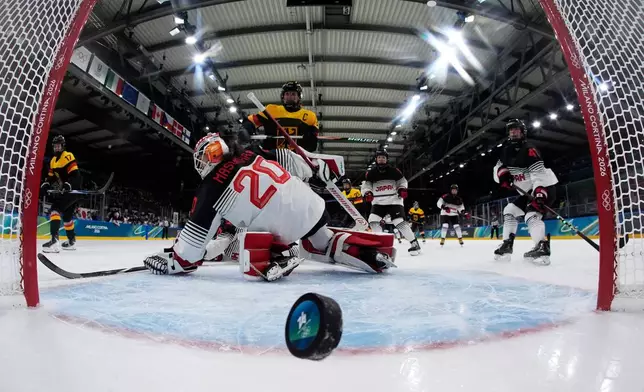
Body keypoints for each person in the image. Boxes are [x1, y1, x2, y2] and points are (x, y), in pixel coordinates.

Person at [143, 131, 396, 281]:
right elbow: (293, 160)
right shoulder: (252, 153)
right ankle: (367, 253)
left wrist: (174, 261)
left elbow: (189, 254)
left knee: (244, 241)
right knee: (319, 241)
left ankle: (278, 255)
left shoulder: (209, 189)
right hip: (311, 205)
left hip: (280, 229)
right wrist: (314, 169)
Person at [493, 119, 558, 264]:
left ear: (523, 132)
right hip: (527, 191)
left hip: (544, 187)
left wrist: (540, 193)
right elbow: (497, 169)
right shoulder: (505, 150)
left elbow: (538, 174)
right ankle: (507, 244)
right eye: (511, 130)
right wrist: (502, 175)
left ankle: (542, 246)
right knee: (509, 210)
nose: (513, 132)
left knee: (531, 215)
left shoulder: (529, 149)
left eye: (517, 130)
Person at [361, 149, 421, 255]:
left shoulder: (394, 171)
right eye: (379, 157)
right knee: (373, 221)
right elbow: (367, 186)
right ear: (376, 159)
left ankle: (414, 244)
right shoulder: (370, 173)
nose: (381, 159)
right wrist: (367, 193)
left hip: (394, 201)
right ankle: (378, 244)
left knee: (399, 222)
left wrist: (402, 189)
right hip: (378, 202)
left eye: (383, 158)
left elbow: (402, 182)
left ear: (387, 159)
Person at [242, 81, 318, 152]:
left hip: (297, 159)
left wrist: (311, 139)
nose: (290, 97)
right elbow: (252, 121)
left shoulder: (310, 116)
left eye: (293, 94)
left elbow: (313, 142)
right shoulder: (271, 110)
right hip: (271, 158)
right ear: (283, 96)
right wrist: (246, 129)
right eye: (287, 94)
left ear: (299, 97)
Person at [41, 135, 81, 252]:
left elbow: (76, 175)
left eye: (59, 146)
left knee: (55, 210)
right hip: (67, 190)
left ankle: (54, 241)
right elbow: (51, 177)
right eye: (55, 146)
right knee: (67, 217)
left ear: (63, 146)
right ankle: (71, 241)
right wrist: (46, 184)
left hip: (73, 190)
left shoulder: (68, 156)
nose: (57, 148)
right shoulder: (53, 161)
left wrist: (69, 184)